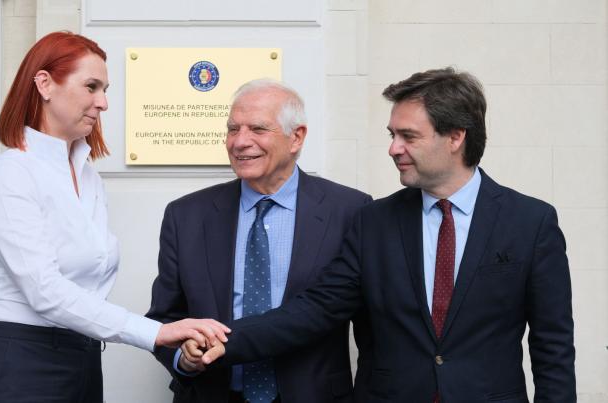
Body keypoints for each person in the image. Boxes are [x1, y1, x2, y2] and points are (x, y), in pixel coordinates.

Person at [189, 67, 576, 402]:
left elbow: (553, 346)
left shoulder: (530, 222)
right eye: (392, 134)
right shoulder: (373, 221)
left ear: (456, 137)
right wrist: (220, 339)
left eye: (408, 136)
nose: (393, 148)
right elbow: (315, 309)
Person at [0, 31, 229, 403]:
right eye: (91, 87)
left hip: (82, 358)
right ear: (44, 84)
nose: (102, 102)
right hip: (19, 362)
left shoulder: (88, 177)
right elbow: (45, 292)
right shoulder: (10, 174)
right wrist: (155, 332)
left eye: (105, 89)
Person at [146, 79, 372, 403]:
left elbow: (369, 326)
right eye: (233, 129)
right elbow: (165, 317)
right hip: (213, 393)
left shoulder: (350, 210)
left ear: (297, 137)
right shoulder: (186, 215)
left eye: (257, 129)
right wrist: (183, 358)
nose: (240, 142)